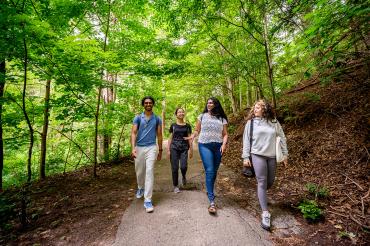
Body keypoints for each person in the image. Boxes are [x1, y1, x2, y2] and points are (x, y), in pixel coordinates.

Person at [242, 99, 288, 231]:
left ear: (264, 109)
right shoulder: (250, 123)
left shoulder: (273, 122)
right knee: (262, 182)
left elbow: (282, 137)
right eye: (254, 107)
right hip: (257, 154)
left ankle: (261, 194)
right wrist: (246, 157)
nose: (254, 109)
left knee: (270, 182)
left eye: (257, 107)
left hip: (272, 156)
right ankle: (265, 213)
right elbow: (246, 140)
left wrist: (285, 155)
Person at [188, 97, 228, 214]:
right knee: (210, 170)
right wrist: (193, 136)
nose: (209, 104)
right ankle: (211, 201)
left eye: (211, 102)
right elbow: (197, 130)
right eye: (208, 102)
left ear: (216, 104)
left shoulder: (222, 118)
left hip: (218, 146)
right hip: (204, 145)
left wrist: (224, 145)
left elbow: (225, 134)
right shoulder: (202, 116)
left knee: (214, 171)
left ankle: (209, 188)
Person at [130, 96, 163, 213]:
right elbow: (133, 133)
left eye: (150, 102)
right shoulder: (138, 118)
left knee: (149, 171)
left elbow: (159, 135)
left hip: (151, 148)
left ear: (153, 104)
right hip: (139, 147)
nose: (148, 104)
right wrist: (133, 148)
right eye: (146, 103)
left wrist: (160, 150)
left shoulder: (157, 119)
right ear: (143, 104)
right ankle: (140, 187)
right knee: (139, 172)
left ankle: (148, 200)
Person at [167, 108, 193, 193]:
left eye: (182, 112)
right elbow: (170, 138)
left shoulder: (187, 126)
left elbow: (189, 137)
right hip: (174, 147)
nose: (181, 113)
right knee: (174, 168)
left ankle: (184, 176)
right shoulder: (173, 125)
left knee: (183, 166)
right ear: (176, 114)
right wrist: (168, 150)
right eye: (179, 112)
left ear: (184, 114)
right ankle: (175, 186)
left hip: (184, 148)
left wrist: (191, 149)